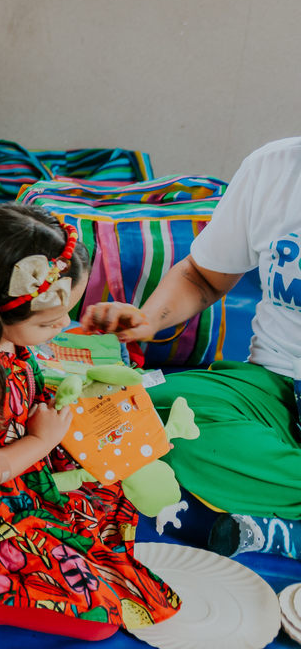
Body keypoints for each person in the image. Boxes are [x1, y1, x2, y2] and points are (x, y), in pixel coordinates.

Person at [0, 203, 179, 645]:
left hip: (19, 473)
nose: (63, 326)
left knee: (107, 493)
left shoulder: (0, 340)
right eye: (49, 322)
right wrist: (43, 440)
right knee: (100, 620)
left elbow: (18, 398)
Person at [82, 136, 301, 560]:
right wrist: (147, 320)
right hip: (270, 388)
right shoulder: (273, 168)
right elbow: (202, 276)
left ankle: (269, 518)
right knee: (128, 413)